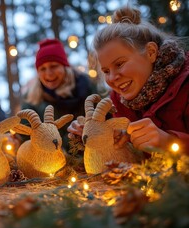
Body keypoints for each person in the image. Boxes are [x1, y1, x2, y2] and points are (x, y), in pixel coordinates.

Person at [67, 6, 189, 155]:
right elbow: (129, 160)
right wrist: (94, 137)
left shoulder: (184, 83)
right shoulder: (118, 100)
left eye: (119, 64)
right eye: (106, 71)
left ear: (151, 52)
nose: (112, 78)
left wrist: (171, 142)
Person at [21, 38, 95, 150]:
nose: (49, 73)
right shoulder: (31, 100)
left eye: (53, 66)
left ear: (64, 66)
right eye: (42, 69)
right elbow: (24, 137)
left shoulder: (86, 87)